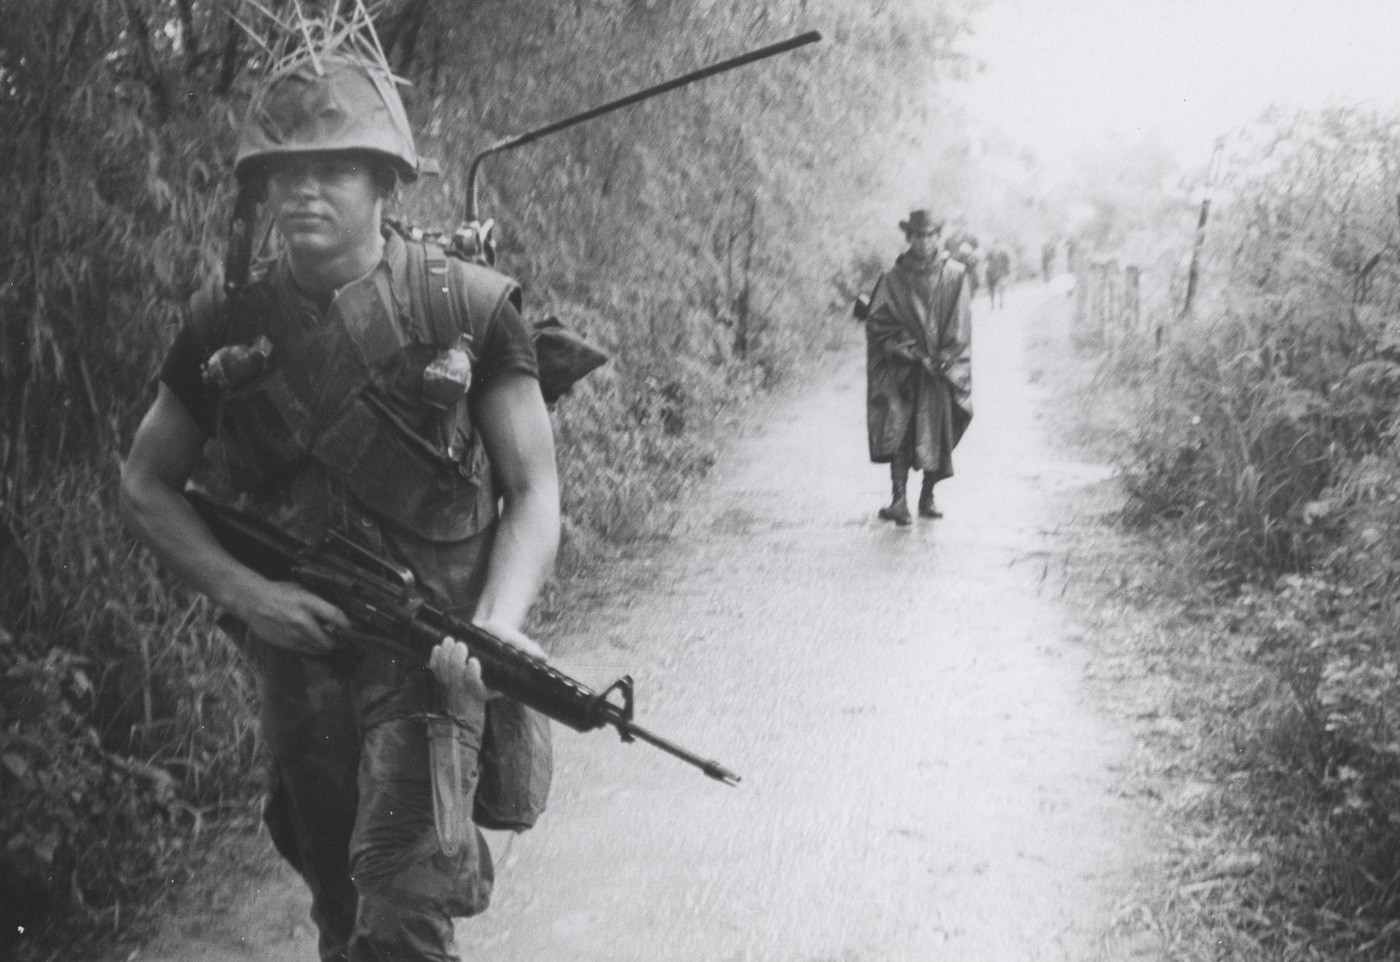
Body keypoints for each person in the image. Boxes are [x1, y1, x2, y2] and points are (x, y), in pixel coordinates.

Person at [119, 50, 560, 962]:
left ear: (384, 183)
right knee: (340, 912)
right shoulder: (226, 325)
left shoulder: (465, 308)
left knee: (400, 915)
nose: (304, 192)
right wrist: (251, 597)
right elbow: (147, 480)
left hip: (432, 658)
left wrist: (499, 625)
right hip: (306, 664)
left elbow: (533, 490)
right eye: (284, 172)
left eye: (332, 168)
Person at [864, 209, 973, 523]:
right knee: (898, 430)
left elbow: (960, 324)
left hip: (940, 370)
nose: (924, 241)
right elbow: (878, 324)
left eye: (930, 235)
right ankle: (899, 500)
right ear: (909, 237)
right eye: (918, 235)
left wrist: (942, 359)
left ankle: (927, 495)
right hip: (903, 370)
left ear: (938, 237)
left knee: (939, 431)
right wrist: (909, 352)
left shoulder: (954, 275)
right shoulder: (892, 279)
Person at [984, 241, 1011, 310]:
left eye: (998, 245)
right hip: (991, 273)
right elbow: (985, 261)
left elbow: (1007, 262)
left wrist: (1006, 272)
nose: (996, 247)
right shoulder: (990, 253)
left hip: (1000, 272)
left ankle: (1001, 302)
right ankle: (992, 303)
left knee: (1001, 287)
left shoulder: (1003, 253)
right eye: (995, 245)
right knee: (991, 289)